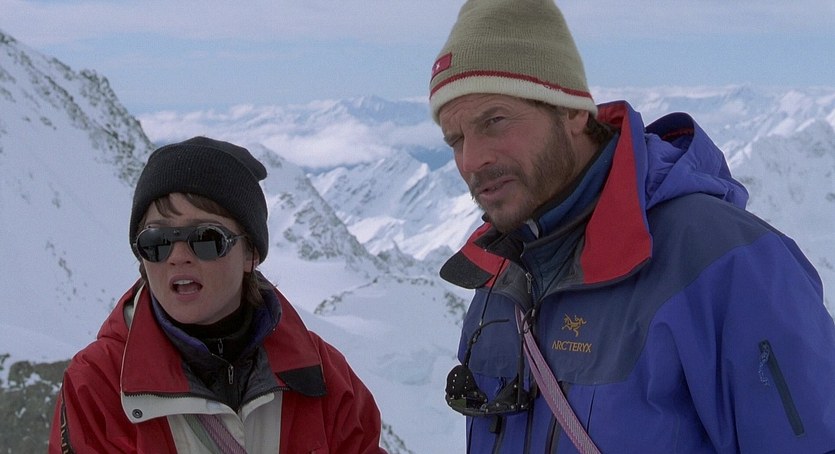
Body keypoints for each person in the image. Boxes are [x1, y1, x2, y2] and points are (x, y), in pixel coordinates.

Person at [429, 0, 835, 452]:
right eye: (455, 139)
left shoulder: (727, 267)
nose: (472, 159)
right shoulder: (502, 281)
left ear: (571, 111)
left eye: (494, 120)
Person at [49, 137, 386, 453]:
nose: (178, 256)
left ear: (250, 254)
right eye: (157, 241)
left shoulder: (322, 374)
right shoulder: (99, 382)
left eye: (206, 238)